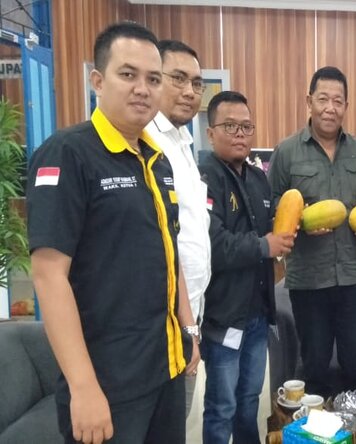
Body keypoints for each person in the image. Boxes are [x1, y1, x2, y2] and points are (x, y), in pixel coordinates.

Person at [27, 21, 198, 443]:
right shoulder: (68, 153)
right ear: (98, 81)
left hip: (164, 368)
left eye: (153, 79)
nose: (142, 89)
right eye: (128, 74)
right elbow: (48, 275)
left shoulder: (157, 160)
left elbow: (169, 251)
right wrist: (83, 387)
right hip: (108, 382)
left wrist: (188, 329)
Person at [268, 66, 356, 397]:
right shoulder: (287, 152)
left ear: (346, 106)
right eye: (323, 99)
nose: (330, 108)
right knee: (314, 365)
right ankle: (318, 423)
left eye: (338, 101)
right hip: (308, 279)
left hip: (353, 277)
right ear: (309, 101)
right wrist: (300, 223)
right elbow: (273, 207)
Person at [199, 91, 295, 444]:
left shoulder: (257, 178)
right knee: (221, 405)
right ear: (211, 132)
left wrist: (296, 227)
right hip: (224, 314)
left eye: (246, 127)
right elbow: (213, 244)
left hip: (257, 312)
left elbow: (272, 227)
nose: (240, 134)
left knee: (250, 399)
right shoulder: (203, 178)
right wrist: (264, 245)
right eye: (230, 126)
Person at [145, 39, 210, 418]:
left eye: (197, 83)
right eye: (178, 79)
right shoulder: (146, 141)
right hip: (157, 319)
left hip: (188, 312)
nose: (189, 91)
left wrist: (191, 327)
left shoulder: (182, 142)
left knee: (175, 420)